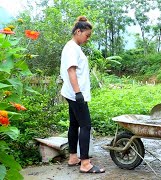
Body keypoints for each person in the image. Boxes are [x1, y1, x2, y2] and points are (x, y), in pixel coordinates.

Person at [60, 16, 105, 173]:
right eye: (87, 35)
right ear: (78, 31)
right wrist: (78, 92)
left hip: (71, 93)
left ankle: (73, 157)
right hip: (75, 93)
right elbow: (71, 70)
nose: (87, 39)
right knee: (85, 125)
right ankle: (85, 164)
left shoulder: (72, 47)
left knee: (74, 124)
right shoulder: (72, 48)